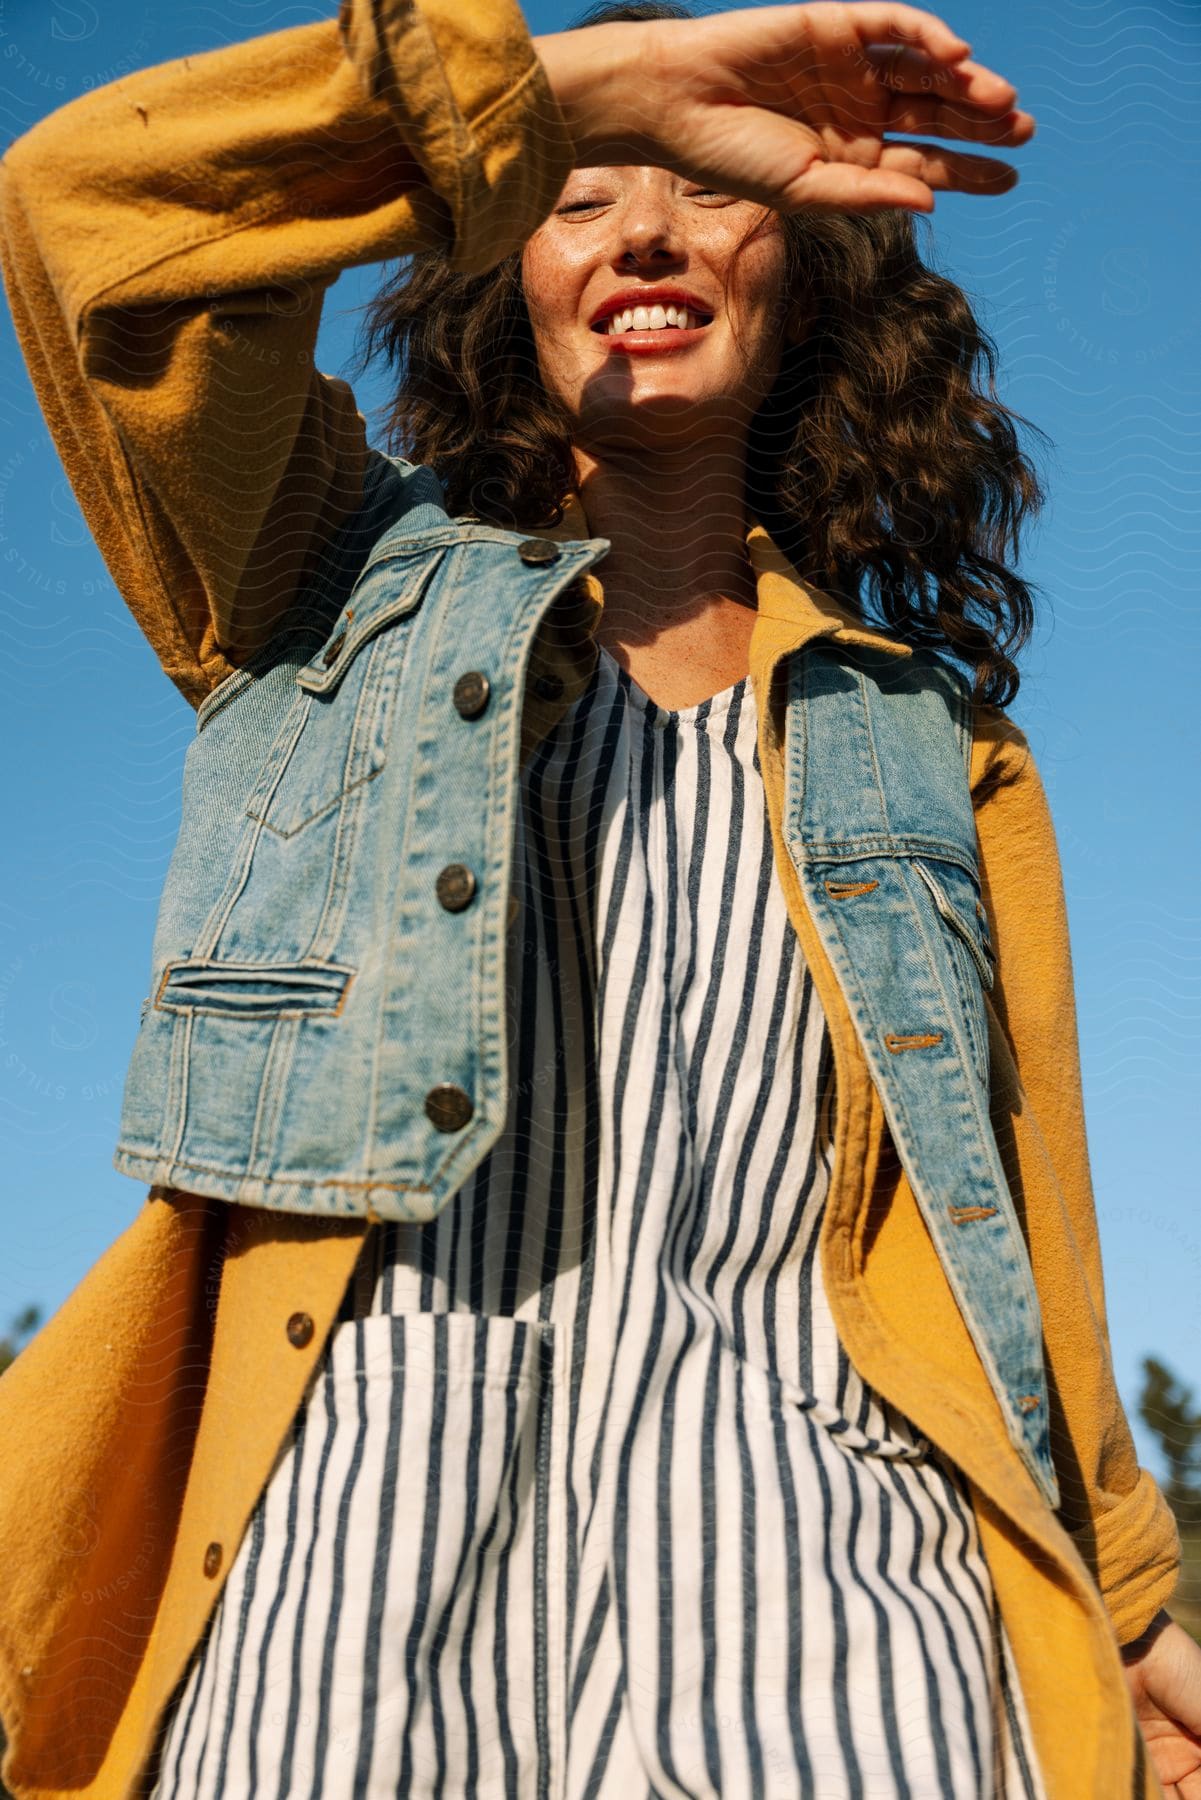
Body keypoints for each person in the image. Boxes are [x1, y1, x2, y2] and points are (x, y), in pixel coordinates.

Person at [0, 1, 1197, 1795]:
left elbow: (1025, 1236)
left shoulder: (925, 747)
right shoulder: (318, 586)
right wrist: (565, 97)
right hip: (357, 1547)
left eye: (700, 194)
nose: (640, 230)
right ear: (500, 274)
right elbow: (87, 215)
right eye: (576, 199)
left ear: (796, 275)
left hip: (842, 1576)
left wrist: (1124, 1606)